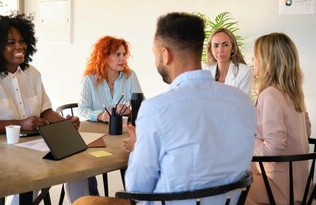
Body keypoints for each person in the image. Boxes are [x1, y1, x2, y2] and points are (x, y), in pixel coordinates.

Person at [73, 12, 256, 205]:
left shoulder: (156, 109)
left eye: (155, 54)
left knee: (83, 202)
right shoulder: (243, 102)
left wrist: (137, 148)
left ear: (165, 54)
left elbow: (137, 188)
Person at [0, 13, 88, 205]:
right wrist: (19, 124)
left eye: (21, 41)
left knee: (77, 164)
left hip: (31, 149)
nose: (19, 46)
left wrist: (64, 123)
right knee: (34, 172)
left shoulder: (32, 74)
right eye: (10, 43)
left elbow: (45, 111)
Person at [246, 33, 311, 205]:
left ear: (268, 61)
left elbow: (273, 150)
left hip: (279, 188)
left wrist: (246, 138)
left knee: (231, 186)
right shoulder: (294, 94)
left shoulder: (270, 95)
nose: (252, 59)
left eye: (257, 55)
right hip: (301, 186)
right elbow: (306, 130)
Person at [77, 36, 142, 123]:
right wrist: (101, 116)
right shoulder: (90, 79)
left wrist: (130, 109)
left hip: (122, 129)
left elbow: (141, 105)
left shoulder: (130, 76)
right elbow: (82, 110)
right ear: (104, 57)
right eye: (118, 54)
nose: (123, 59)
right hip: (97, 131)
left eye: (124, 54)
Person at [204, 27, 253, 95]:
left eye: (225, 45)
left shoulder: (244, 71)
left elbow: (242, 103)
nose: (220, 50)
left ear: (232, 48)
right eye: (216, 46)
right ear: (210, 49)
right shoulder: (205, 70)